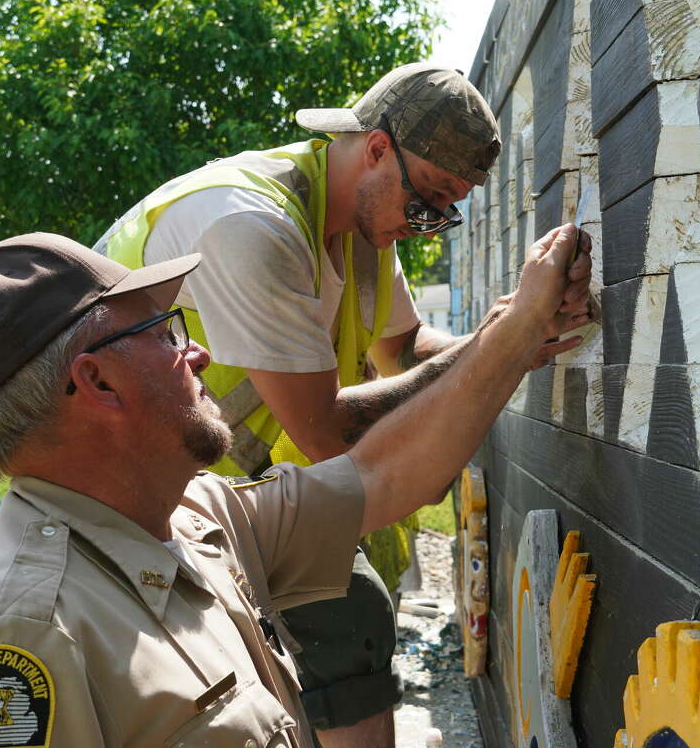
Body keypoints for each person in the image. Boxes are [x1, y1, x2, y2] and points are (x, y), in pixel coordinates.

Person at [0, 226, 590, 747]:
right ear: (97, 382)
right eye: (165, 332)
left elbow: (381, 475)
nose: (198, 352)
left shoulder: (191, 518)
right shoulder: (16, 645)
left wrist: (517, 329)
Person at [93, 63, 585, 745]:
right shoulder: (249, 227)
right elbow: (326, 434)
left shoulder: (357, 224)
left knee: (347, 620)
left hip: (217, 482)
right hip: (120, 493)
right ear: (377, 149)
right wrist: (503, 339)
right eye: (427, 201)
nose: (429, 224)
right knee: (333, 622)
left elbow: (407, 352)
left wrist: (517, 332)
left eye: (448, 210)